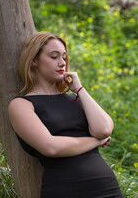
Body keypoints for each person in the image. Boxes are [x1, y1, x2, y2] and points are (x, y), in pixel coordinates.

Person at [8, 32, 124, 198]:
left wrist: (79, 89)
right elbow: (51, 147)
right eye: (54, 57)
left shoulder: (74, 98)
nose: (62, 62)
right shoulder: (21, 105)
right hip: (66, 189)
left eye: (64, 57)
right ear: (34, 60)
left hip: (107, 189)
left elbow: (104, 129)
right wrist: (95, 141)